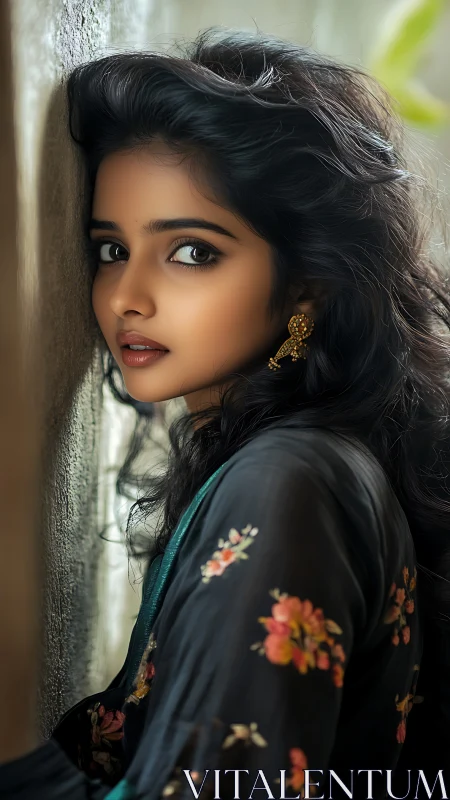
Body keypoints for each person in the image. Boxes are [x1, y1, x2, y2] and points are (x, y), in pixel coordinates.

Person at [1, 27, 449, 800]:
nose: (127, 297)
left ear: (305, 285)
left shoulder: (288, 482)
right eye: (111, 250)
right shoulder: (287, 459)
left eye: (192, 252)